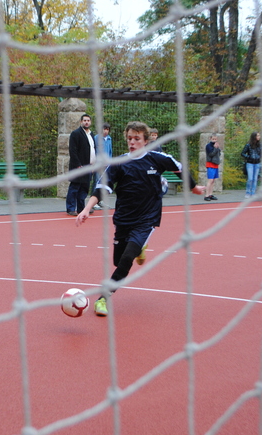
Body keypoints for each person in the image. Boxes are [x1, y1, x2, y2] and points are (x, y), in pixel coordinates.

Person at [75, 121, 204, 316]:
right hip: (123, 218)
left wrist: (193, 187)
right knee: (118, 260)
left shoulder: (157, 159)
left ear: (146, 141)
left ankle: (103, 299)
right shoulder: (118, 163)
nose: (132, 142)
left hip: (147, 219)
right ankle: (140, 248)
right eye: (129, 138)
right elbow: (101, 189)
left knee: (127, 259)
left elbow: (179, 168)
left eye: (137, 139)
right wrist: (86, 209)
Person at [66, 114, 95, 216]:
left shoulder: (91, 134)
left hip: (89, 166)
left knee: (84, 188)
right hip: (78, 167)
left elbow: (93, 149)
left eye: (88, 120)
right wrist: (78, 164)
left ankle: (81, 208)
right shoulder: (75, 134)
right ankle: (70, 208)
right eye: (84, 120)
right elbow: (72, 150)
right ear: (81, 122)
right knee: (75, 187)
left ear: (90, 122)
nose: (86, 122)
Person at [92, 123, 113, 210]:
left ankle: (101, 200)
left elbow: (110, 151)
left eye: (107, 129)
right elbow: (94, 150)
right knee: (97, 181)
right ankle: (93, 202)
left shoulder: (109, 139)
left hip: (106, 164)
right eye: (104, 129)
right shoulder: (96, 138)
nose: (105, 131)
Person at [241, 132, 262, 198]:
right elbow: (242, 153)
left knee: (255, 179)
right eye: (258, 135)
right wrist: (248, 157)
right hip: (250, 163)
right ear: (254, 136)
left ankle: (253, 193)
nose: (259, 137)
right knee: (250, 179)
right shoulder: (248, 145)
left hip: (257, 163)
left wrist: (259, 157)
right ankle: (248, 192)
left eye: (259, 135)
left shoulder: (260, 145)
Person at [204, 134, 221, 201]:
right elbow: (211, 154)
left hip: (215, 164)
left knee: (213, 181)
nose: (214, 140)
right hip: (210, 164)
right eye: (213, 139)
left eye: (215, 139)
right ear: (210, 139)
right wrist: (215, 148)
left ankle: (210, 194)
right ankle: (206, 195)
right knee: (210, 180)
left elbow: (218, 154)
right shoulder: (208, 146)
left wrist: (218, 149)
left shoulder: (216, 146)